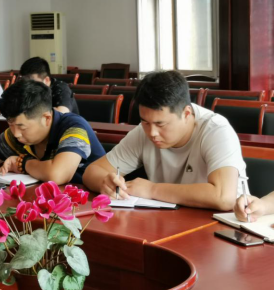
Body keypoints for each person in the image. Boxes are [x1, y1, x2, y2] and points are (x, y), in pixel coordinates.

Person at [83, 71, 246, 211]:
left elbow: (224, 197)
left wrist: (152, 190)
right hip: (174, 219)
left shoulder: (215, 130)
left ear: (186, 114)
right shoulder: (143, 132)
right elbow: (93, 171)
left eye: (161, 124)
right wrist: (106, 183)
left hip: (225, 223)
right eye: (145, 122)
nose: (152, 133)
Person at [0, 79, 105, 185]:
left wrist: (22, 163)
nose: (16, 133)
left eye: (22, 127)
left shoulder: (73, 127)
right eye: (10, 125)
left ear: (46, 118)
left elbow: (57, 174)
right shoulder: (17, 134)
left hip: (91, 204)